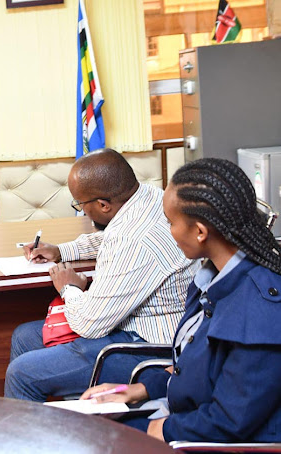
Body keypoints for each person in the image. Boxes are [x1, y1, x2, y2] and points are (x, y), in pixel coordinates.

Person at [82, 158, 281, 443]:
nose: (169, 231)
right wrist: (140, 390)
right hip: (184, 416)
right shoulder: (211, 278)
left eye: (171, 222)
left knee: (88, 439)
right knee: (81, 427)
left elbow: (230, 421)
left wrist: (157, 430)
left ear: (200, 232)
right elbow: (194, 367)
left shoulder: (259, 312)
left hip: (208, 439)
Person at [4, 149, 195, 401]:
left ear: (104, 205)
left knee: (22, 374)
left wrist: (69, 288)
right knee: (24, 336)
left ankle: (49, 435)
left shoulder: (134, 242)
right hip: (133, 326)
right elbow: (113, 237)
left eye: (81, 204)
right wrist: (62, 251)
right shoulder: (146, 197)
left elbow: (89, 324)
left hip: (149, 349)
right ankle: (63, 427)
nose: (82, 211)